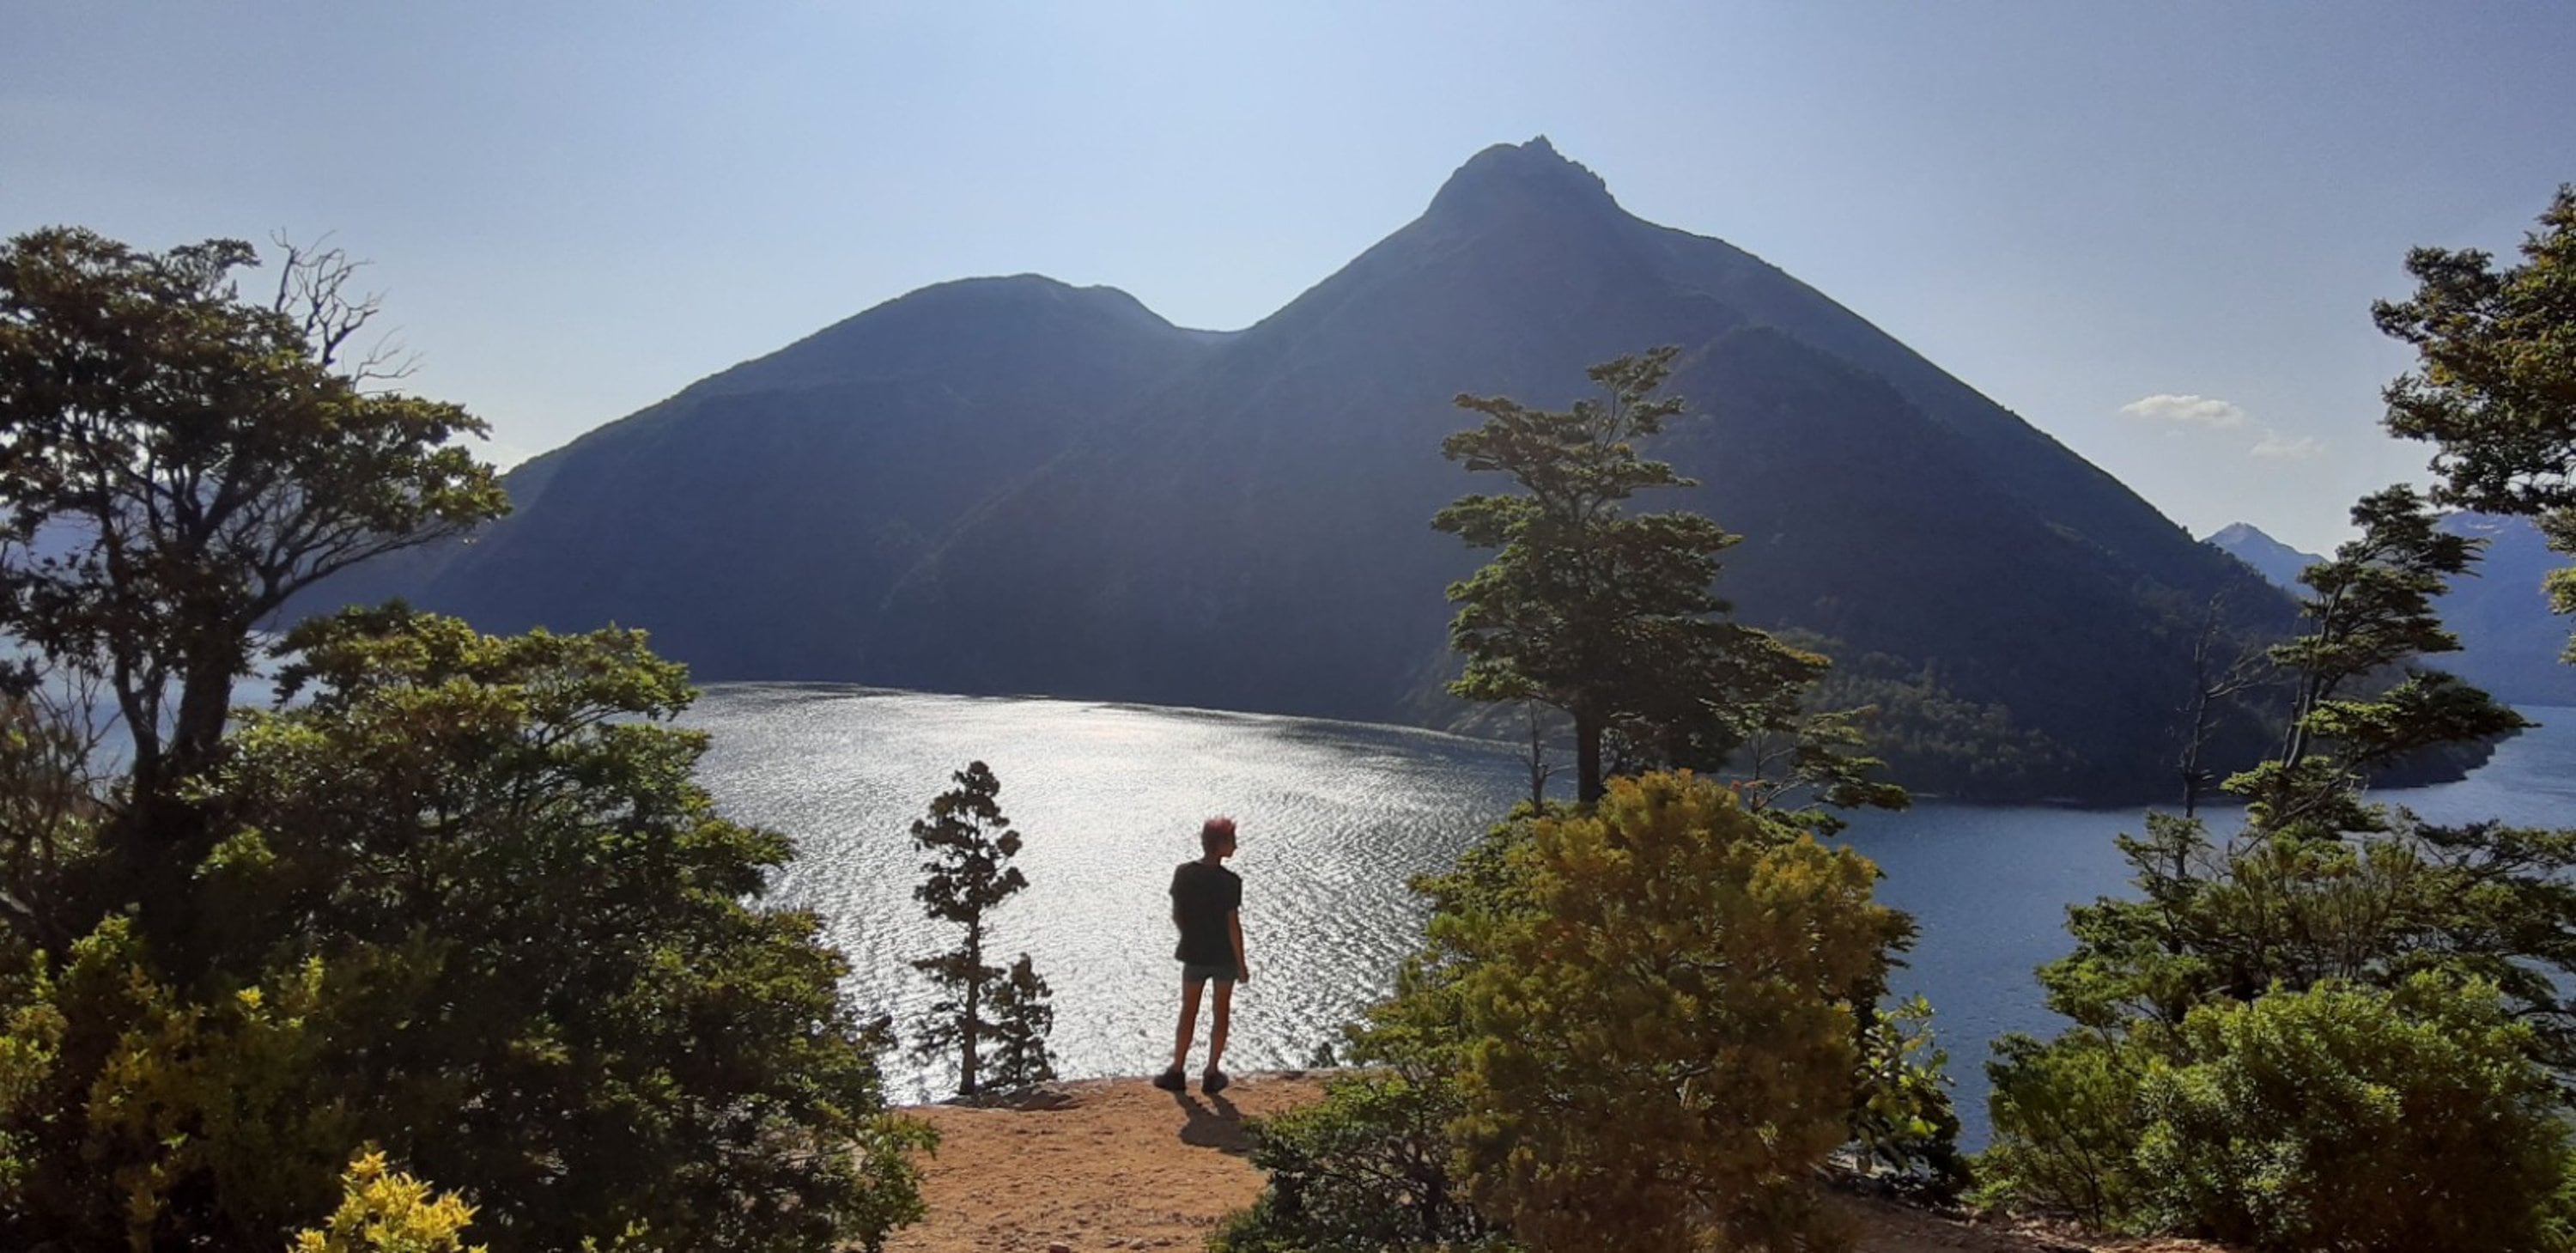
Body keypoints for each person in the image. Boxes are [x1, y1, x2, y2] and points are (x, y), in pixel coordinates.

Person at [1155, 816, 1247, 1094]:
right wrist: (1241, 964)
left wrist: (1190, 936)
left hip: (1194, 953)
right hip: (1223, 957)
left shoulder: (1183, 873)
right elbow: (1233, 926)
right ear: (1220, 844)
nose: (1236, 846)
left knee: (1188, 1012)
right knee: (1221, 1014)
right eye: (1232, 841)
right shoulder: (1231, 882)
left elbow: (1177, 914)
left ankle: (1177, 1070)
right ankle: (1211, 1073)